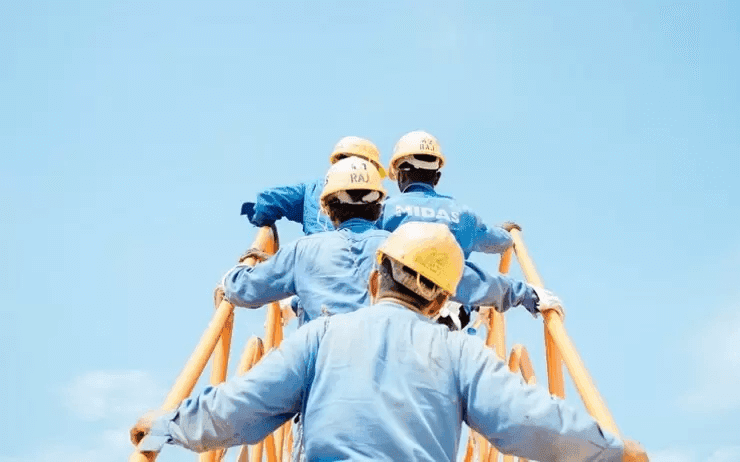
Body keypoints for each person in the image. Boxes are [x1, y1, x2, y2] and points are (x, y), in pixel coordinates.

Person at [131, 222, 648, 462]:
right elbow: (526, 418)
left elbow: (239, 407)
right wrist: (612, 450)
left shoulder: (318, 337)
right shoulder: (462, 351)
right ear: (438, 301)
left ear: (376, 278)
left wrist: (162, 427)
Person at [223, 158, 555, 327]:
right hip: (398, 381)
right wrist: (527, 294)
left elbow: (242, 290)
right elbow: (468, 278)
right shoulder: (405, 245)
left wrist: (246, 263)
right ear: (380, 204)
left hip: (323, 387)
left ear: (326, 206)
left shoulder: (301, 252)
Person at [379, 130, 513, 258]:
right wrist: (505, 232)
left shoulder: (384, 210)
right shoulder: (464, 215)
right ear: (437, 177)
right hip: (454, 281)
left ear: (401, 176)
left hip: (397, 281)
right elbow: (500, 241)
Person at [241, 136, 387, 235]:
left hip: (313, 266)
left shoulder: (310, 190)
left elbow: (268, 199)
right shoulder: (381, 201)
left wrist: (260, 220)